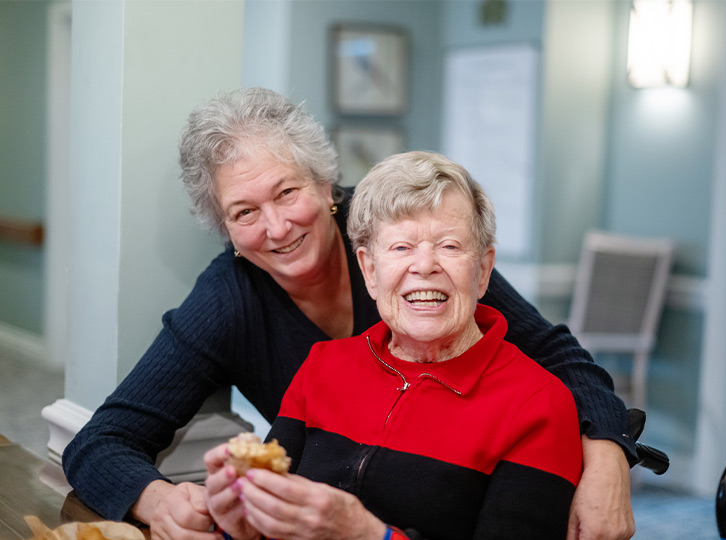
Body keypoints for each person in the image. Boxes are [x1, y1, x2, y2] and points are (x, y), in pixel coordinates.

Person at [62, 87, 636, 540]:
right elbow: (100, 441)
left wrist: (608, 455)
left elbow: (554, 357)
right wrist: (160, 500)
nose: (278, 227)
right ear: (228, 233)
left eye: (287, 192)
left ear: (327, 185)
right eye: (244, 212)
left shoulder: (403, 241)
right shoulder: (232, 301)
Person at [203, 150, 584, 539]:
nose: (424, 265)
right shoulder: (322, 365)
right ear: (370, 270)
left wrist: (368, 535)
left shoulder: (539, 406)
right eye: (401, 247)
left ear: (483, 270)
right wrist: (241, 527)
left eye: (449, 246)